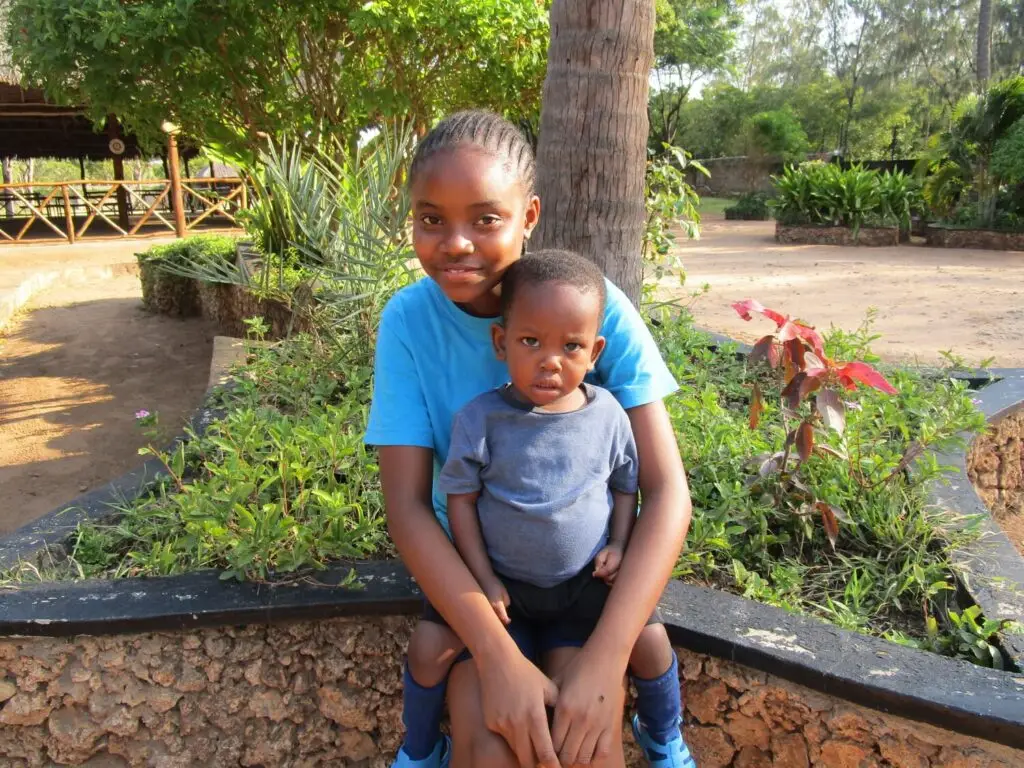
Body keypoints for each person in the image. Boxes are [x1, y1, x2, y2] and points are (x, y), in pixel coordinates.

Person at [365, 110, 693, 768]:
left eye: (485, 218)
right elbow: (406, 507)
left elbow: (664, 492)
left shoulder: (591, 311)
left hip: (580, 586)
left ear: (529, 215)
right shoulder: (408, 321)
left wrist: (606, 661)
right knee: (495, 750)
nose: (456, 243)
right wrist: (494, 654)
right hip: (479, 590)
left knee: (583, 750)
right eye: (432, 218)